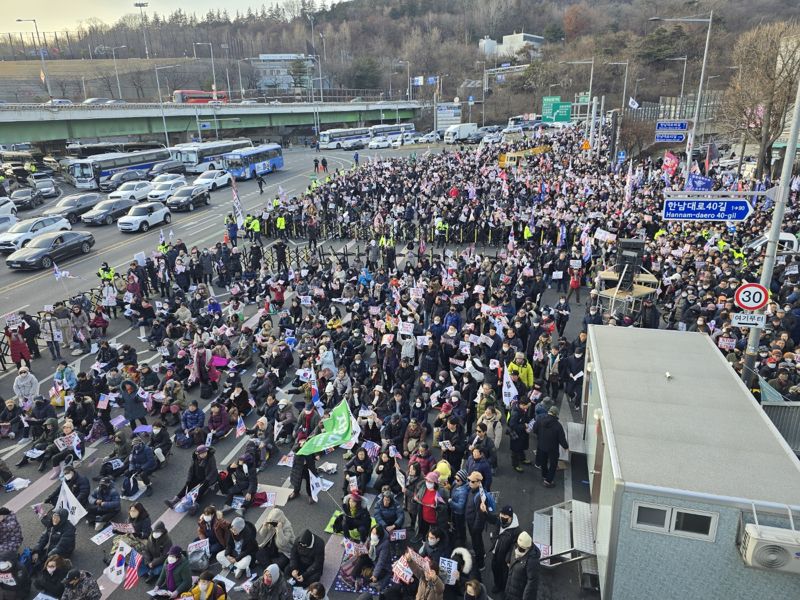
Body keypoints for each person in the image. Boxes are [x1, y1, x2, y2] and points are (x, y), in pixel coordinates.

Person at [164, 445, 218, 514]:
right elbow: (191, 469)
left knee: (200, 490)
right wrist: (188, 479)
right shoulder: (194, 458)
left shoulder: (210, 457)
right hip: (197, 476)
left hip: (206, 478)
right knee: (187, 486)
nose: (204, 454)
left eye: (205, 452)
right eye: (202, 453)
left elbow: (213, 470)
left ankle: (195, 506)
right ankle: (173, 501)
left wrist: (207, 479)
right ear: (198, 454)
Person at [532, 405, 569, 488]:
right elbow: (561, 438)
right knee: (553, 464)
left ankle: (544, 475)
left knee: (543, 462)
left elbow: (534, 429)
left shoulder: (540, 420)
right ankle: (548, 481)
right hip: (553, 448)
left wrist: (540, 435)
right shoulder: (558, 425)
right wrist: (566, 447)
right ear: (556, 414)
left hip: (541, 446)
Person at [490, 505, 519, 594]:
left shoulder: (516, 531)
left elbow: (514, 545)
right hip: (496, 553)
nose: (502, 517)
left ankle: (503, 588)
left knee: (504, 575)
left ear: (510, 517)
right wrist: (494, 539)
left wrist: (508, 558)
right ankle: (497, 585)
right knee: (495, 569)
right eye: (501, 514)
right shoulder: (500, 520)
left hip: (504, 558)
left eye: (504, 516)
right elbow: (493, 523)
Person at [504, 531, 540, 600]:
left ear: (528, 548)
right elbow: (512, 550)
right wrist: (508, 559)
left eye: (521, 549)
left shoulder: (532, 561)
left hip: (519, 593)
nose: (517, 549)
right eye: (517, 546)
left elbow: (532, 582)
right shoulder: (516, 546)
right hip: (510, 586)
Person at [508, 397, 534, 473]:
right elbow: (512, 425)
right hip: (516, 434)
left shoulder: (522, 409)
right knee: (515, 450)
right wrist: (524, 426)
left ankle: (522, 459)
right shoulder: (515, 413)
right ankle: (515, 465)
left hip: (521, 433)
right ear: (522, 404)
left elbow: (525, 418)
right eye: (527, 406)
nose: (528, 407)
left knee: (521, 447)